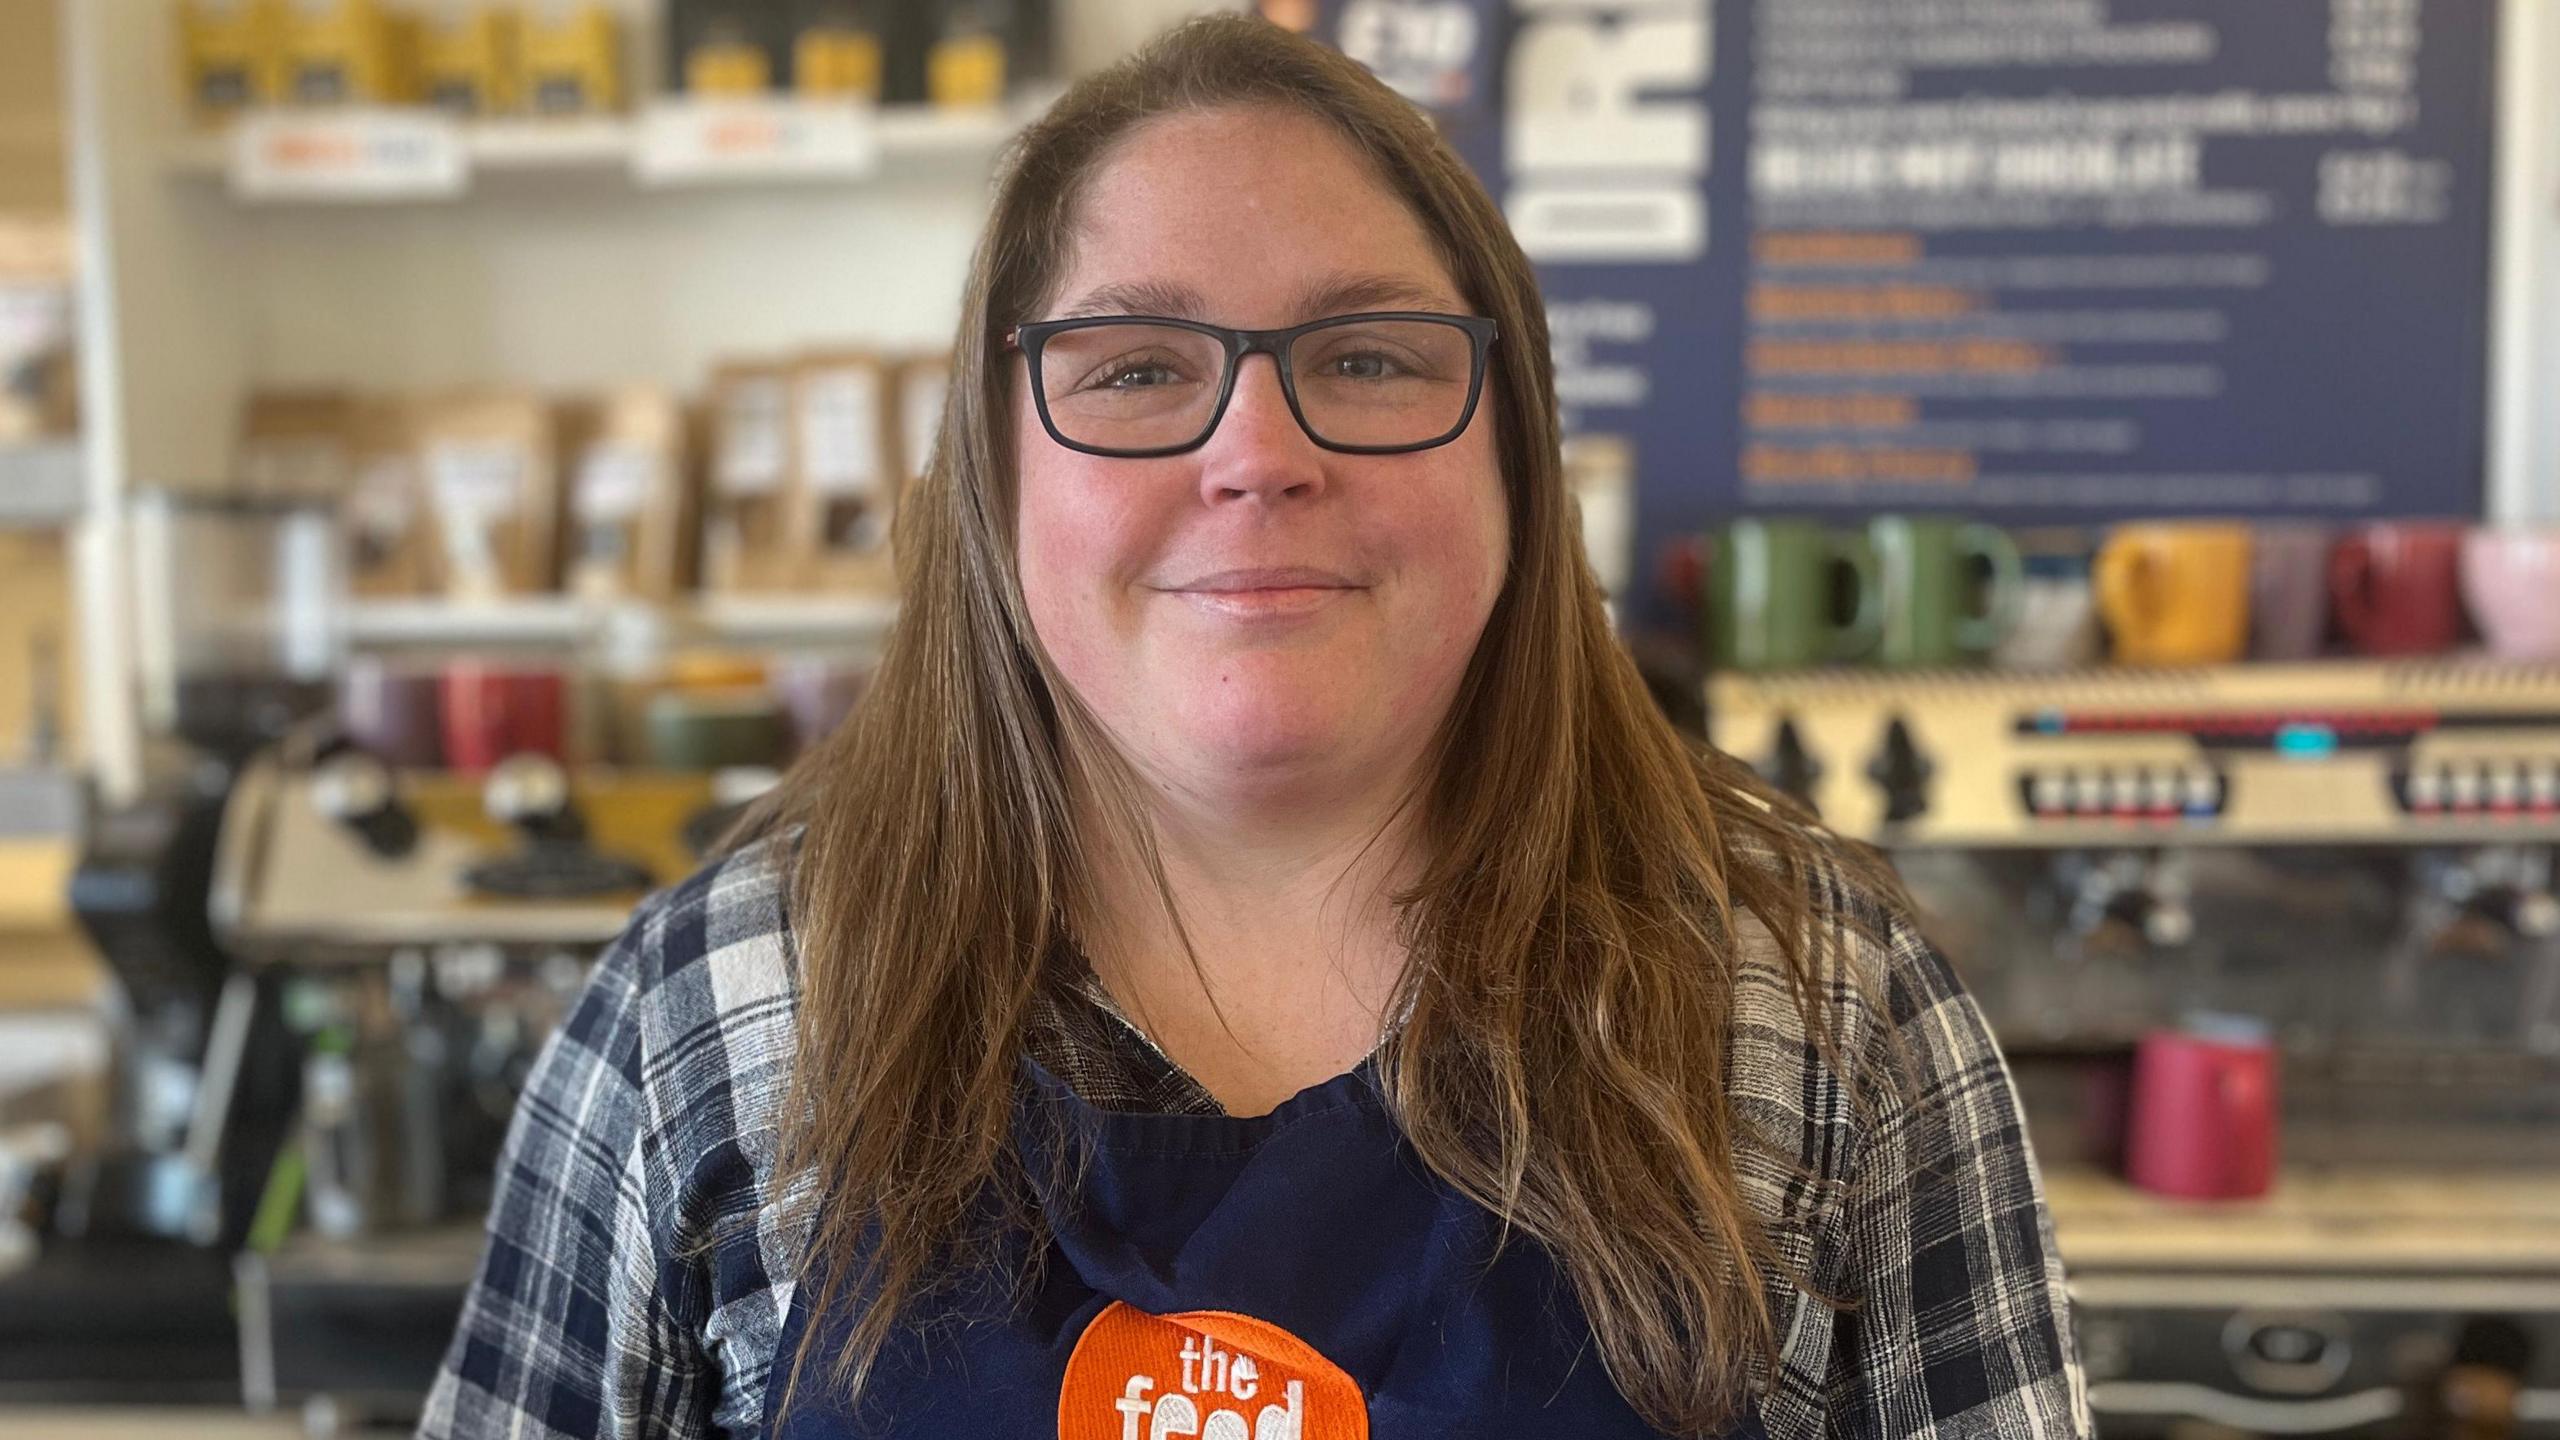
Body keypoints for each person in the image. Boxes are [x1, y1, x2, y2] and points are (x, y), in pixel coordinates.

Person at [419, 15, 2090, 1439]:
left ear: (1516, 457)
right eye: (1139, 369)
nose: (1259, 451)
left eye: (1365, 358)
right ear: (995, 481)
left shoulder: (1820, 1004)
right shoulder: (706, 1011)